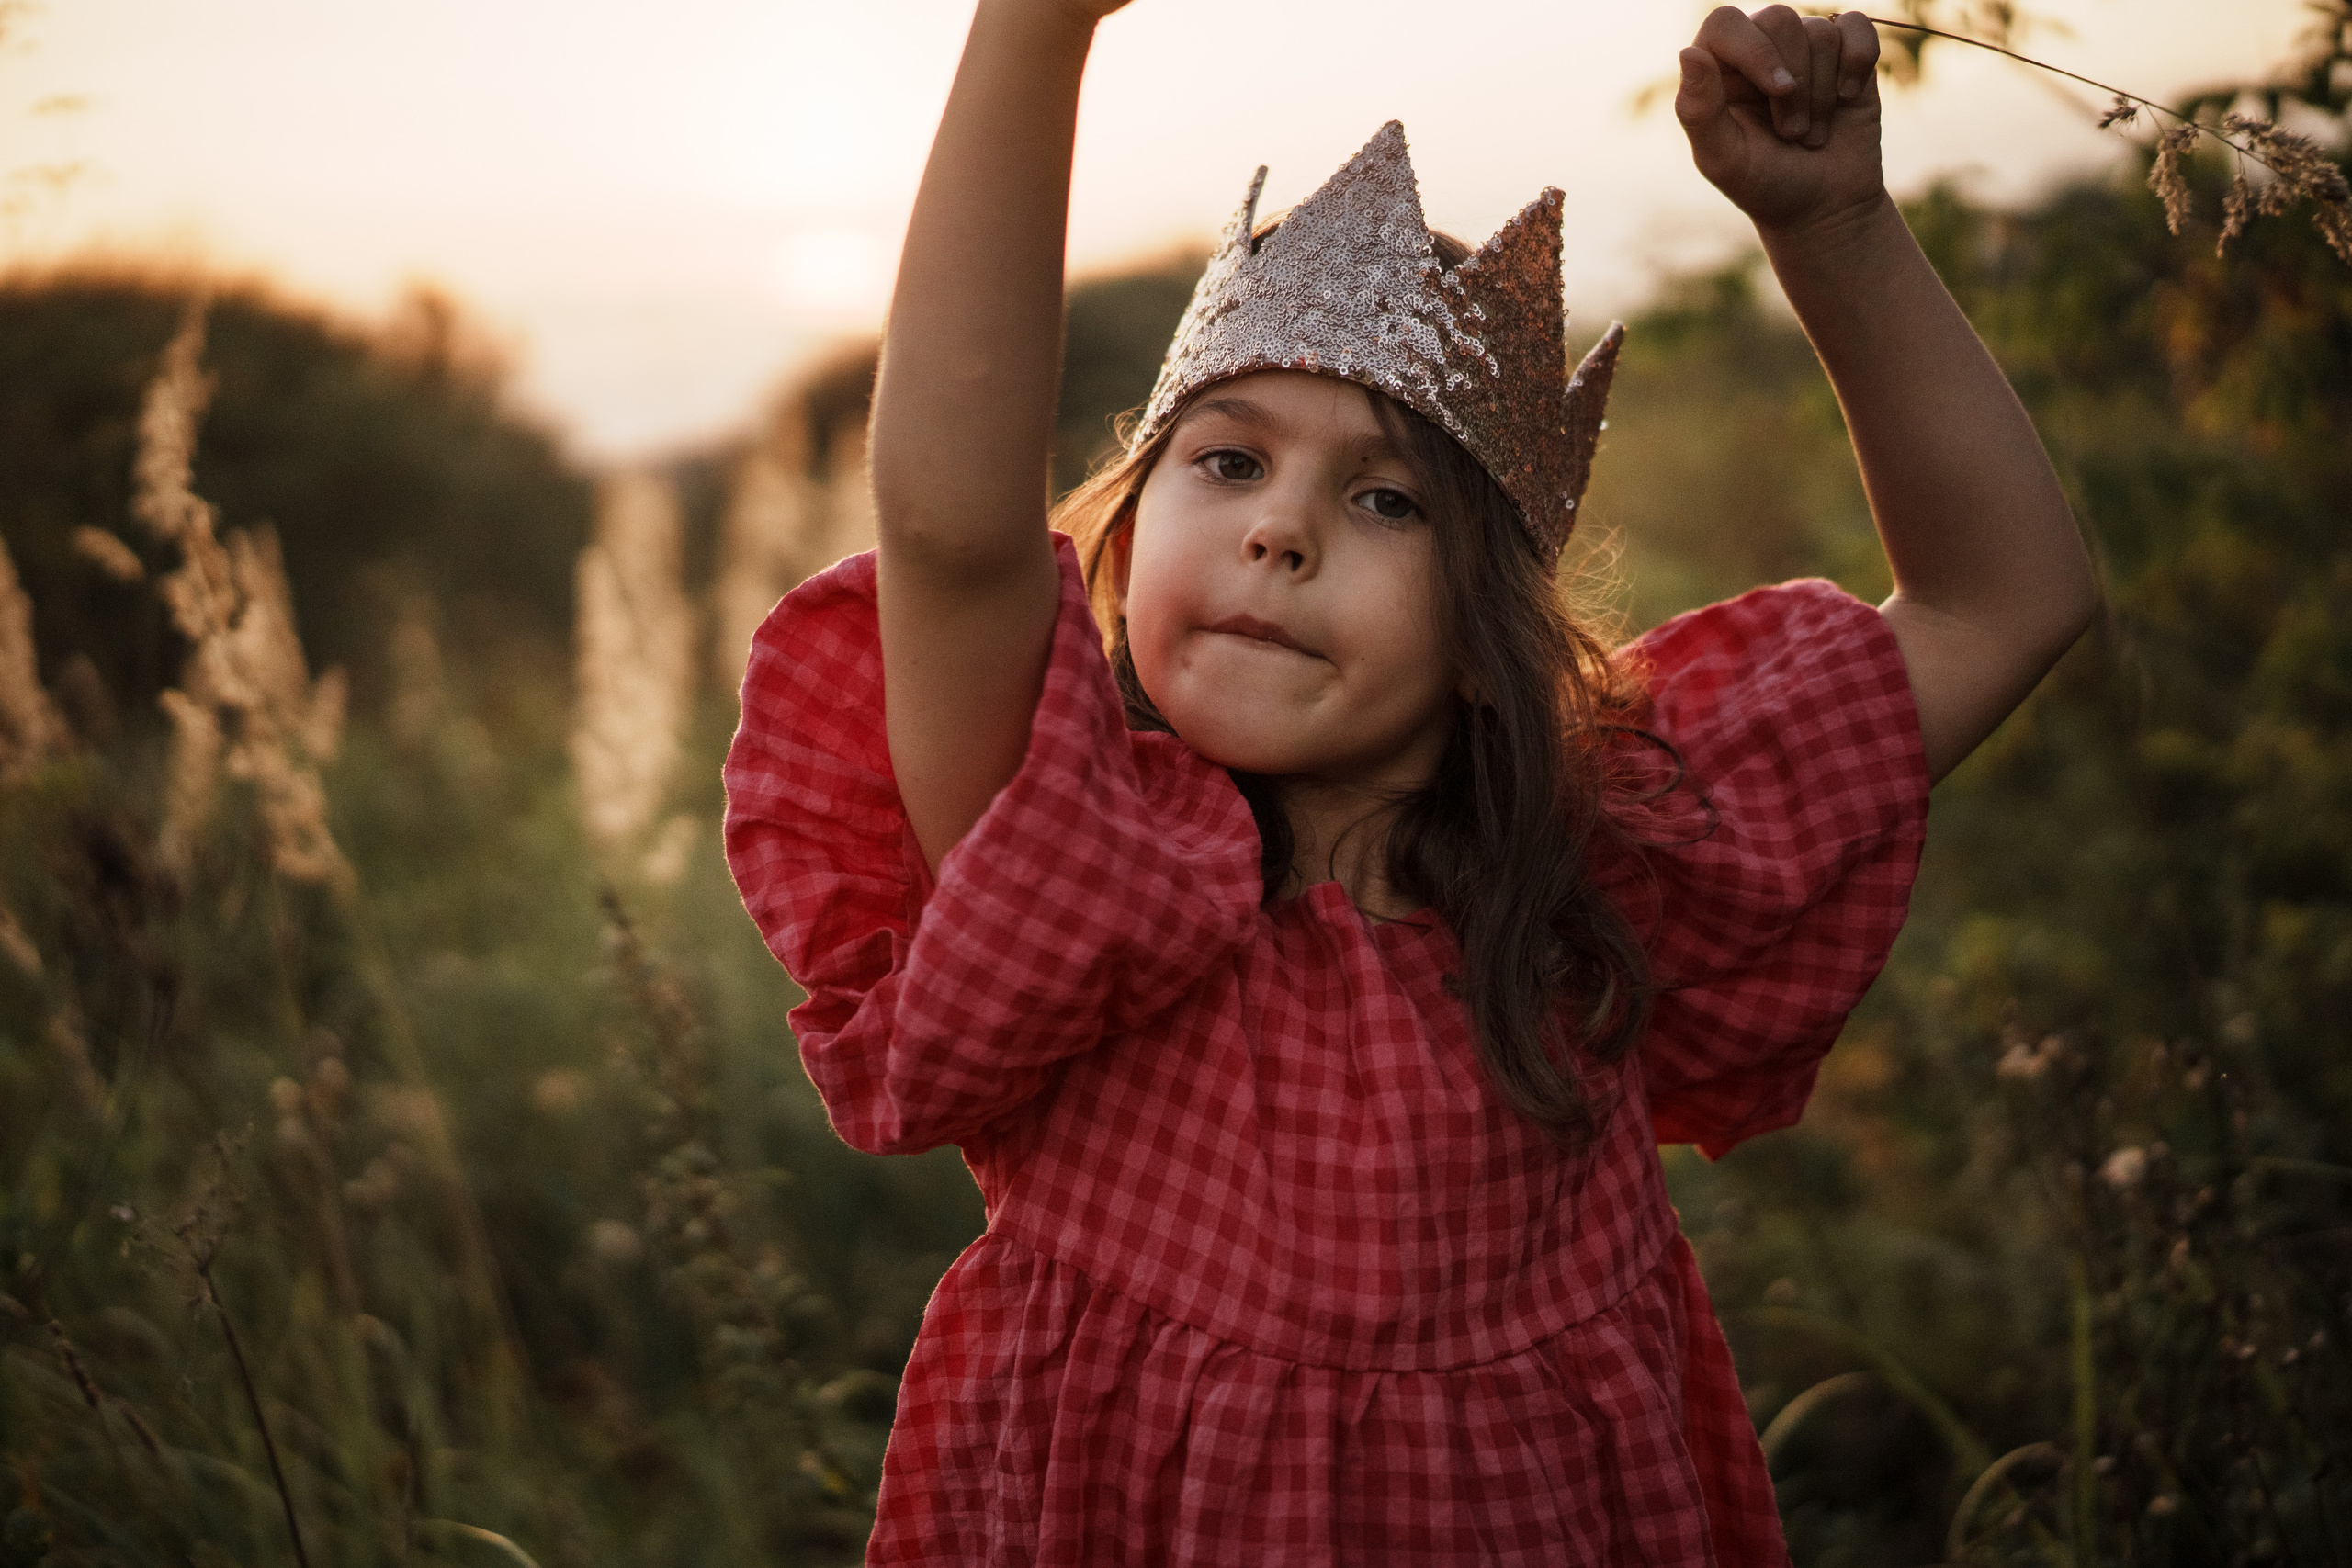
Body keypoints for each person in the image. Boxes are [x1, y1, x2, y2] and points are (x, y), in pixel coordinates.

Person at [722, 2, 2098, 1561]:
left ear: (1481, 637)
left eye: (1384, 499)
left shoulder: (1606, 876)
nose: (1279, 531)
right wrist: (1037, 28)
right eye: (1227, 462)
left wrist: (1835, 225)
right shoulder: (1066, 868)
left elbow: (2008, 601)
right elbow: (953, 532)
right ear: (1132, 520)